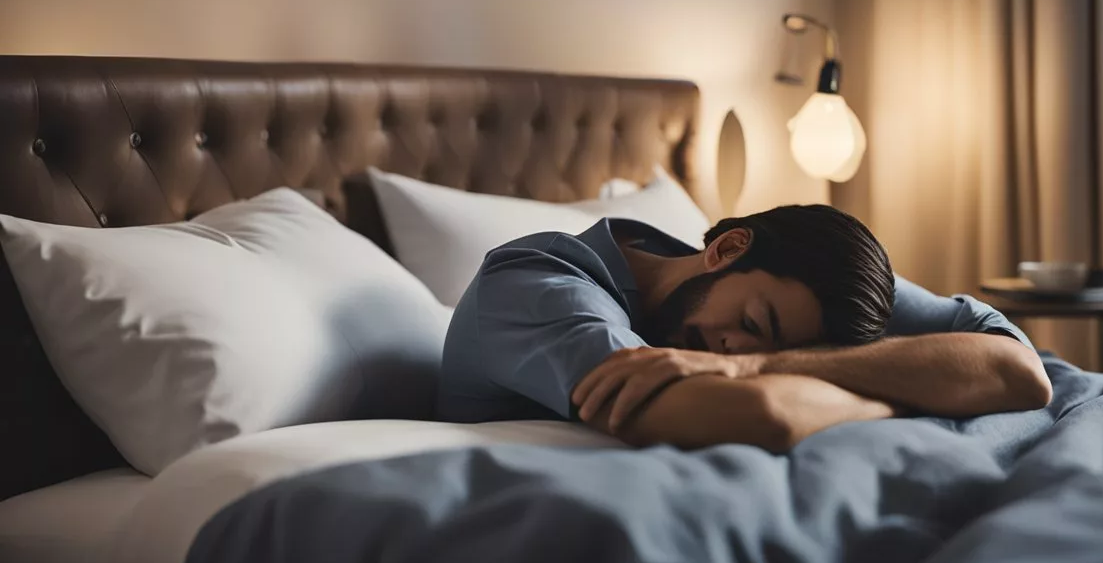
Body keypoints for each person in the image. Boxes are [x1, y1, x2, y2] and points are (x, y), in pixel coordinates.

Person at [436, 205, 1052, 452]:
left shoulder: (804, 290)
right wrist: (911, 389)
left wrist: (760, 363)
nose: (740, 345)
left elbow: (1021, 372)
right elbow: (761, 415)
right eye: (756, 324)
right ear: (728, 248)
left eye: (785, 348)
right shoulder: (536, 287)